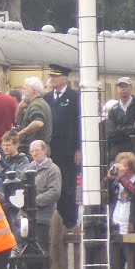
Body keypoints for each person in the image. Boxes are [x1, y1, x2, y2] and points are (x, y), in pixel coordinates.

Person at [47, 66, 80, 228]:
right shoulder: (47, 98)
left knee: (68, 186)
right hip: (52, 150)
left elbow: (80, 124)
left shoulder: (74, 97)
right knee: (54, 185)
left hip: (68, 151)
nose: (52, 79)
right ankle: (55, 221)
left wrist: (78, 148)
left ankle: (69, 222)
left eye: (56, 76)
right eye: (51, 76)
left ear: (65, 79)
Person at [25, 140, 61, 257]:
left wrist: (33, 201)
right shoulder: (28, 168)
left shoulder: (53, 169)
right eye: (31, 151)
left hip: (43, 219)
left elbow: (54, 192)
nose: (34, 154)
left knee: (41, 252)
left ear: (45, 151)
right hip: (26, 219)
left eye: (37, 150)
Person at [105, 77, 135, 159]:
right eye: (121, 86)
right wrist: (131, 128)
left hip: (134, 153)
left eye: (126, 86)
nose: (123, 89)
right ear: (117, 89)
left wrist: (119, 129)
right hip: (117, 154)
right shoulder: (113, 110)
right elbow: (110, 134)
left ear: (131, 88)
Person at [15, 77, 52, 153]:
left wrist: (23, 133)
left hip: (36, 149)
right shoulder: (36, 103)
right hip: (37, 148)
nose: (22, 91)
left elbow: (38, 123)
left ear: (33, 90)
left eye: (24, 88)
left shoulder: (36, 105)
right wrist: (20, 108)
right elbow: (18, 122)